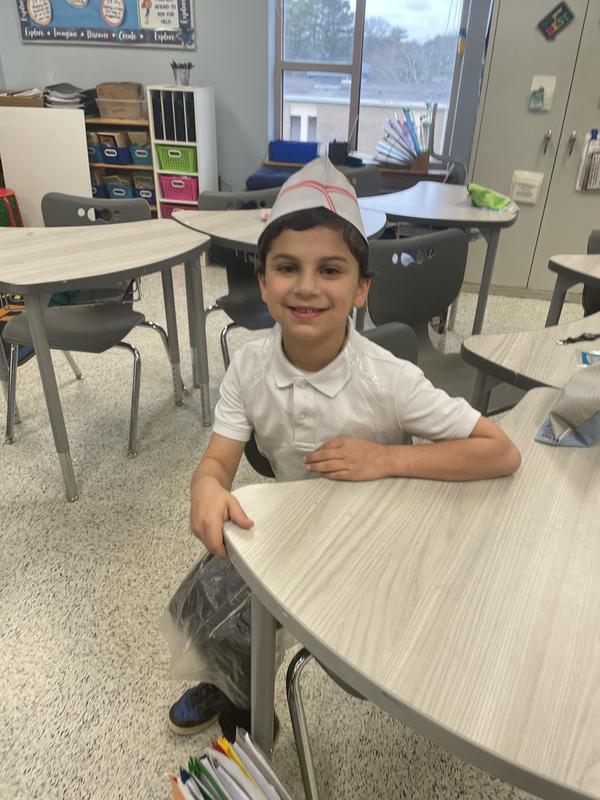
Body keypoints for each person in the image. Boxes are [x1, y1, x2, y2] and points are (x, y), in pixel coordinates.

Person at [168, 157, 521, 738]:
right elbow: (217, 461)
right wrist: (206, 488)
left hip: (375, 534)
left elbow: (499, 451)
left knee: (355, 654)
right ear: (263, 282)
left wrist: (386, 458)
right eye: (287, 267)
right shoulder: (250, 366)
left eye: (330, 270)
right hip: (291, 523)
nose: (306, 287)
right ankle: (240, 693)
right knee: (201, 609)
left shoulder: (388, 379)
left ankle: (249, 682)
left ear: (361, 289)